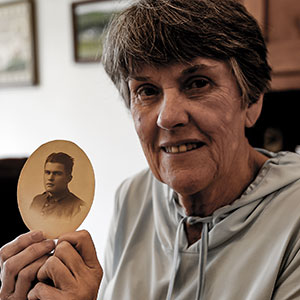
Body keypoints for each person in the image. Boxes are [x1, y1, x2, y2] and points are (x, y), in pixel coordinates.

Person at [1, 0, 300, 299]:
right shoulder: (133, 197)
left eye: (198, 83)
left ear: (251, 100)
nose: (168, 117)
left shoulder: (293, 218)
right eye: (146, 91)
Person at [30, 152, 85, 219]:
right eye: (47, 172)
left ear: (68, 178)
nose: (50, 178)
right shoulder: (37, 200)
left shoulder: (78, 207)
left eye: (57, 173)